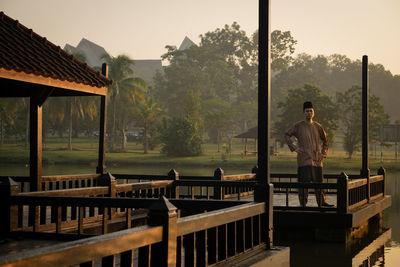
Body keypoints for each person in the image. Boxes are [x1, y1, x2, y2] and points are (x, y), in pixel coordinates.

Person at [284, 101, 333, 207]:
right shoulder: (298, 126)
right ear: (304, 113)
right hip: (304, 159)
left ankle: (322, 202)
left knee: (319, 183)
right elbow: (287, 135)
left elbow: (326, 140)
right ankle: (303, 204)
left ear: (314, 112)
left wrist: (323, 153)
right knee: (303, 184)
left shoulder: (318, 126)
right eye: (307, 111)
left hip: (317, 160)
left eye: (311, 111)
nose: (309, 113)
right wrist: (294, 148)